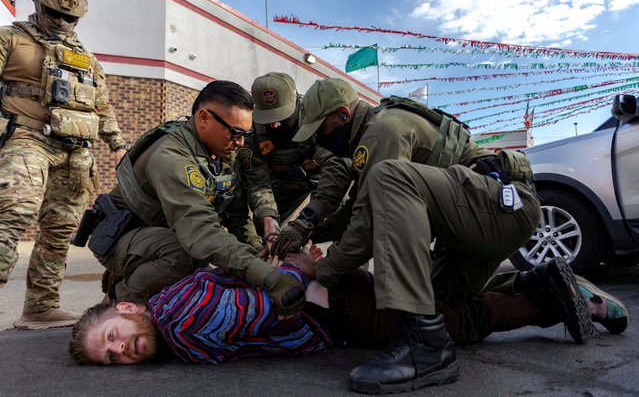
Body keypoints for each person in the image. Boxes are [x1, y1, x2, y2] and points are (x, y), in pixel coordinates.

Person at [271, 78, 544, 393]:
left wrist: (322, 269)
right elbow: (354, 212)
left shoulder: (383, 129)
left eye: (323, 130)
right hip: (479, 225)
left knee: (387, 177)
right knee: (439, 307)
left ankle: (425, 348)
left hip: (501, 208)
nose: (320, 140)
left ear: (344, 116)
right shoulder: (373, 137)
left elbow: (367, 222)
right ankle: (539, 284)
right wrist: (303, 230)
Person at [68, 251, 629, 366]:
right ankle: (533, 282)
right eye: (112, 358)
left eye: (113, 336)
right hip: (328, 289)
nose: (122, 350)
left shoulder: (182, 324)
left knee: (453, 325)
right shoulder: (170, 299)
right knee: (439, 301)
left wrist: (297, 272)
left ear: (124, 307)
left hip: (331, 311)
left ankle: (554, 305)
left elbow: (263, 308)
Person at [83, 80, 306, 320]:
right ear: (203, 118)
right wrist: (271, 279)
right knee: (188, 255)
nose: (240, 142)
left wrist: (258, 256)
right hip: (120, 236)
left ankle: (141, 277)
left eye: (245, 134)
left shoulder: (221, 153)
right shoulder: (171, 157)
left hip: (159, 233)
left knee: (219, 264)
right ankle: (120, 297)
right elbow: (200, 232)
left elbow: (236, 215)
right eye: (235, 133)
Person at [0, 0, 128, 330]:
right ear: (37, 3)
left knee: (59, 231)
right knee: (12, 216)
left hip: (75, 154)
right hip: (26, 139)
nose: (61, 22)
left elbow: (103, 106)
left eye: (70, 18)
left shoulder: (86, 57)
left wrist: (118, 146)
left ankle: (40, 307)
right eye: (53, 13)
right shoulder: (10, 39)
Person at [225, 72, 345, 249]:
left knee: (343, 225)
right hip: (283, 186)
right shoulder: (252, 134)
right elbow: (258, 184)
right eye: (268, 119)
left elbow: (338, 169)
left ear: (296, 103)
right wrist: (268, 217)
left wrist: (306, 223)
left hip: (326, 182)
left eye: (281, 117)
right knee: (267, 233)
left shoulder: (317, 117)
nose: (274, 125)